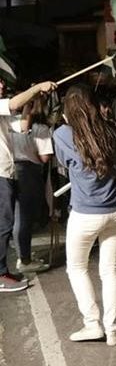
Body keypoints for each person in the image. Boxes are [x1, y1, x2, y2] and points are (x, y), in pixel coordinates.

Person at [54, 84, 116, 345]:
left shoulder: (63, 134)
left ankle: (92, 325)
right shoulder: (113, 130)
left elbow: (65, 166)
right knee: (110, 269)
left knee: (76, 268)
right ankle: (112, 329)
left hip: (85, 213)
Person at [0, 79, 56, 292]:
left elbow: (23, 126)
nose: (2, 86)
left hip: (7, 173)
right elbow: (12, 104)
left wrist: (30, 101)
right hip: (1, 174)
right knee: (4, 224)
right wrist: (36, 88)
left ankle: (3, 271)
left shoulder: (4, 116)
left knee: (7, 223)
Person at [12, 96, 53, 273]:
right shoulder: (41, 128)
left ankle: (24, 254)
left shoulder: (9, 123)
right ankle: (25, 260)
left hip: (9, 169)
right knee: (23, 218)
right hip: (28, 172)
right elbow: (45, 157)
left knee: (15, 217)